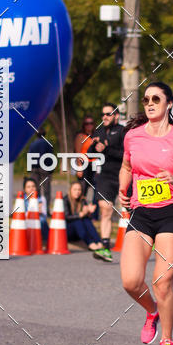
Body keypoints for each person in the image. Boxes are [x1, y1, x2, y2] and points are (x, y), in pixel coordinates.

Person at [119, 82, 173, 345]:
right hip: (141, 214)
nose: (150, 103)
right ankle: (151, 310)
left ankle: (167, 339)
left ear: (169, 104)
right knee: (130, 281)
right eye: (146, 99)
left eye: (156, 99)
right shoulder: (133, 137)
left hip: (170, 214)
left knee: (162, 282)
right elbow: (126, 167)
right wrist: (121, 189)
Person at [91, 103, 125, 261]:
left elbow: (125, 155)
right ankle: (105, 247)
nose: (104, 116)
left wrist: (106, 149)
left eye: (108, 114)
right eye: (103, 114)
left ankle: (147, 240)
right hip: (105, 176)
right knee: (105, 208)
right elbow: (92, 153)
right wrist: (94, 146)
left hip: (123, 174)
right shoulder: (98, 132)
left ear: (116, 116)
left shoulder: (123, 131)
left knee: (133, 210)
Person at [63, 181, 110, 260]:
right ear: (70, 190)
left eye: (79, 190)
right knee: (77, 221)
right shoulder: (65, 200)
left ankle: (98, 242)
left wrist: (89, 212)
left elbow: (86, 219)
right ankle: (90, 243)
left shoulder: (82, 200)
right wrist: (80, 214)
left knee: (86, 220)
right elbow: (66, 217)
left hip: (79, 232)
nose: (77, 192)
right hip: (68, 231)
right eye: (75, 190)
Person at [27, 130, 53, 212]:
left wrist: (30, 167)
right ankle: (46, 209)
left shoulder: (33, 144)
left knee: (35, 188)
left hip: (35, 168)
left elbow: (29, 155)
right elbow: (50, 156)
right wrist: (51, 169)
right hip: (45, 168)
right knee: (46, 189)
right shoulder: (47, 143)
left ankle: (35, 207)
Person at [73, 116, 96, 200]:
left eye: (91, 123)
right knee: (83, 189)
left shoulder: (95, 135)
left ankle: (93, 210)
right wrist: (79, 167)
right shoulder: (81, 136)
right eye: (87, 123)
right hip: (84, 164)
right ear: (84, 125)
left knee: (96, 188)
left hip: (94, 165)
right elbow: (77, 152)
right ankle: (81, 209)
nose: (89, 125)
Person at [22, 176, 49, 246]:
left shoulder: (42, 199)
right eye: (28, 187)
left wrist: (39, 211)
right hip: (26, 223)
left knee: (42, 220)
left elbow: (44, 214)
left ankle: (45, 241)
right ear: (25, 189)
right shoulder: (21, 200)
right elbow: (21, 216)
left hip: (39, 222)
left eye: (33, 186)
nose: (31, 188)